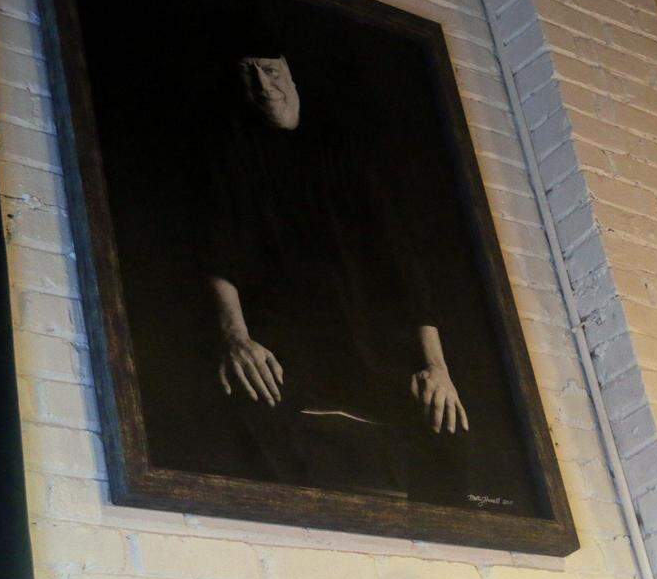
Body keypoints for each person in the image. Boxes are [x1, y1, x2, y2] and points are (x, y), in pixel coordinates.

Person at [201, 47, 469, 500]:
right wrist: (237, 339)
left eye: (270, 71)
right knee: (248, 411)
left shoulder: (343, 151)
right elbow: (217, 250)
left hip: (369, 347)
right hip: (284, 348)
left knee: (449, 427)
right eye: (248, 76)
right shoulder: (229, 153)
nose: (263, 87)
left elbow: (404, 267)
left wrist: (435, 367)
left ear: (292, 73)